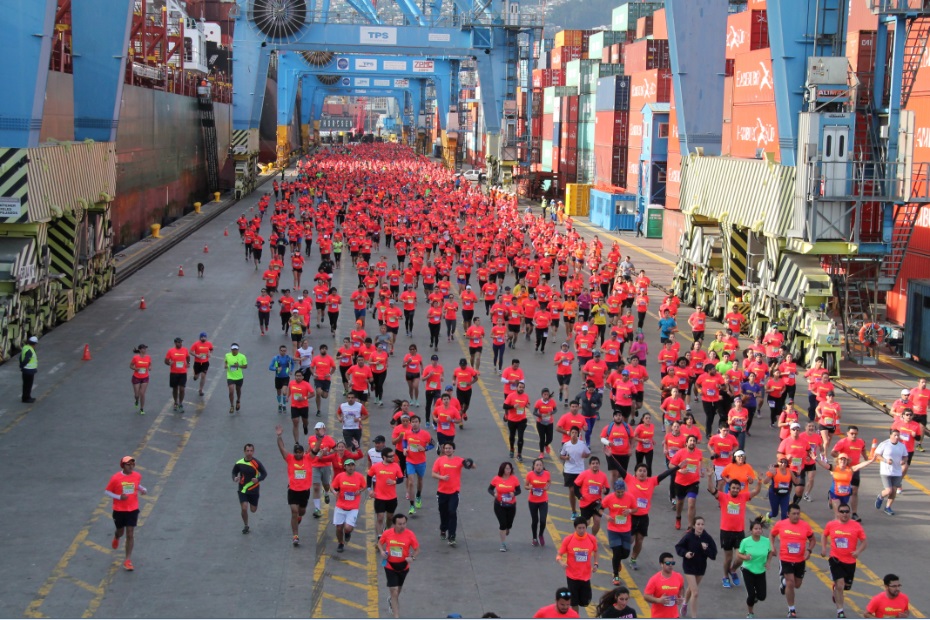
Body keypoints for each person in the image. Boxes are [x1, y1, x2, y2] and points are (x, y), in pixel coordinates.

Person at [708, 475, 761, 588]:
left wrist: (760, 481)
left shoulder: (743, 497)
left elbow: (756, 491)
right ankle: (725, 577)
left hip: (739, 532)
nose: (735, 490)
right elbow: (712, 489)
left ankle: (732, 570)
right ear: (729, 488)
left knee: (741, 557)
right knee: (728, 557)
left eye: (737, 488)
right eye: (733, 488)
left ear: (740, 489)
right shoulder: (723, 497)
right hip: (726, 532)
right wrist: (709, 477)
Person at [821, 502, 868, 618]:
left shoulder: (856, 526)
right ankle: (840, 611)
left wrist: (858, 552)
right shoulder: (831, 525)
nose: (845, 514)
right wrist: (823, 548)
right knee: (840, 585)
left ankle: (835, 590)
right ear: (837, 513)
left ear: (850, 513)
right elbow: (824, 535)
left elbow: (864, 542)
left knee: (846, 586)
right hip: (835, 559)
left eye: (847, 512)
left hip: (850, 561)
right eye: (842, 511)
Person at [771, 503, 815, 618]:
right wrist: (772, 547)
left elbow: (812, 540)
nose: (796, 516)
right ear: (788, 514)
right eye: (794, 514)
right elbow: (772, 535)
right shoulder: (781, 524)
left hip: (800, 560)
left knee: (797, 584)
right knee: (791, 582)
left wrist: (809, 551)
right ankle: (791, 609)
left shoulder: (805, 526)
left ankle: (783, 583)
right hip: (786, 558)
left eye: (798, 514)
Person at [104, 456, 147, 571]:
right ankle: (117, 537)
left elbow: (135, 485)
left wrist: (142, 489)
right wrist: (119, 497)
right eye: (128, 464)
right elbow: (107, 491)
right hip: (119, 510)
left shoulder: (137, 475)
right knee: (121, 531)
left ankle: (127, 560)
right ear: (123, 465)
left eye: (132, 464)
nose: (131, 466)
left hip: (132, 509)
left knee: (130, 533)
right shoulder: (115, 478)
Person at [431, 442, 476, 546]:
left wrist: (469, 463)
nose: (447, 450)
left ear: (453, 450)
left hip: (454, 492)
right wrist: (442, 477)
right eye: (446, 448)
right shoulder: (439, 460)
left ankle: (452, 536)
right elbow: (433, 474)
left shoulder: (459, 460)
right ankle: (443, 529)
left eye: (449, 448)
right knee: (443, 513)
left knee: (452, 512)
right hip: (442, 492)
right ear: (443, 450)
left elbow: (473, 466)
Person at [674, 516, 717, 618]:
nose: (700, 526)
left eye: (702, 524)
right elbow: (678, 547)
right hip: (689, 566)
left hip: (701, 567)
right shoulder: (688, 536)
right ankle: (694, 617)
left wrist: (706, 549)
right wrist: (686, 553)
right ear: (694, 525)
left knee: (691, 588)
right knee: (696, 592)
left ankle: (685, 603)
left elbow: (713, 555)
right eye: (698, 524)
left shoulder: (707, 538)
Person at [378, 514, 420, 619]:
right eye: (400, 524)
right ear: (394, 524)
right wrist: (382, 551)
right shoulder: (387, 533)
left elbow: (417, 549)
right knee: (394, 590)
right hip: (390, 566)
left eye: (404, 523)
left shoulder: (410, 534)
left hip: (403, 567)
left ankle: (392, 600)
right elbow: (379, 543)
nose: (402, 526)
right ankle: (396, 616)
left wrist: (412, 558)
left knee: (398, 590)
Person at [275, 425, 311, 546]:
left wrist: (320, 438)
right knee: (294, 511)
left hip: (304, 491)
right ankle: (295, 535)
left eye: (300, 452)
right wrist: (279, 436)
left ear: (303, 452)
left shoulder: (307, 459)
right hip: (293, 490)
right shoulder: (290, 459)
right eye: (296, 452)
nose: (298, 454)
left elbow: (316, 449)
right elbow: (282, 448)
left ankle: (299, 518)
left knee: (302, 511)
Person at [556, 517, 600, 613]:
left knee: (585, 602)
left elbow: (596, 551)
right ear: (575, 528)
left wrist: (596, 564)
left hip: (585, 576)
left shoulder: (591, 539)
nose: (581, 530)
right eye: (579, 528)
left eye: (583, 528)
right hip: (572, 576)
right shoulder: (568, 540)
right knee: (574, 602)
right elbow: (559, 555)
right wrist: (561, 562)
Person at [736, 517, 773, 619]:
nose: (758, 530)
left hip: (761, 570)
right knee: (751, 595)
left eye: (759, 529)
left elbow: (771, 552)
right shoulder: (745, 541)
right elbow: (738, 554)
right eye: (755, 529)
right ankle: (750, 613)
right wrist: (745, 557)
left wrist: (768, 562)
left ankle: (755, 597)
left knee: (762, 596)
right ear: (751, 530)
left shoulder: (766, 541)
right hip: (748, 570)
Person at [601, 479, 637, 585]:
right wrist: (606, 516)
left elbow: (635, 509)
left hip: (626, 529)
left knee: (625, 554)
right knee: (616, 552)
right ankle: (616, 575)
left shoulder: (630, 497)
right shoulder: (609, 498)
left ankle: (617, 562)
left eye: (622, 492)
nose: (620, 494)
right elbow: (599, 508)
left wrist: (630, 511)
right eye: (618, 492)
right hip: (613, 529)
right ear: (615, 491)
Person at [330, 458, 367, 553]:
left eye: (352, 465)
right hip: (340, 506)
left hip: (353, 507)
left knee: (347, 528)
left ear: (354, 466)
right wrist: (334, 493)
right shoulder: (340, 476)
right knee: (338, 528)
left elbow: (364, 486)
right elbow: (332, 486)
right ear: (345, 467)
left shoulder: (359, 477)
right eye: (348, 465)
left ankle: (347, 533)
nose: (351, 467)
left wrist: (360, 491)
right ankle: (341, 543)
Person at [369, 446, 405, 538]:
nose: (393, 458)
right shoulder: (376, 466)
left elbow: (401, 478)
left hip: (392, 497)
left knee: (389, 518)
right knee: (380, 517)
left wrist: (394, 482)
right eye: (390, 456)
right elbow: (369, 476)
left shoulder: (396, 466)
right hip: (379, 497)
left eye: (393, 456)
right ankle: (380, 537)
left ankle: (387, 531)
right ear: (384, 457)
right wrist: (369, 490)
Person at [231, 443, 267, 534]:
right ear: (244, 451)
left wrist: (258, 479)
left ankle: (253, 506)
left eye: (251, 451)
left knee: (253, 510)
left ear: (253, 452)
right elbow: (234, 472)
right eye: (247, 451)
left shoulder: (256, 463)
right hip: (242, 489)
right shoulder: (239, 463)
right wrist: (235, 478)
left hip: (254, 489)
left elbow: (264, 474)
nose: (249, 453)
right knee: (244, 508)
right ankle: (246, 525)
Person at [670, 434, 703, 530]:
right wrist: (680, 470)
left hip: (693, 481)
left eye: (694, 441)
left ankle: (690, 526)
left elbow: (699, 462)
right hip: (680, 482)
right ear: (686, 443)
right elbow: (671, 465)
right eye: (690, 440)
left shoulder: (699, 453)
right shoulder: (680, 452)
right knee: (680, 502)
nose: (692, 442)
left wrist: (701, 471)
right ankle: (678, 517)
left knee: (691, 503)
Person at [873, 427, 909, 516]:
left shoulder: (902, 446)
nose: (897, 437)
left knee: (893, 491)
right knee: (888, 490)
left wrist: (903, 461)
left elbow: (905, 456)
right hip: (886, 471)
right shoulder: (884, 444)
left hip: (897, 472)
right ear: (890, 436)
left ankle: (888, 507)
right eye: (895, 435)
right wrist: (886, 461)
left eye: (898, 435)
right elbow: (877, 455)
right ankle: (880, 496)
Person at [488, 461, 522, 551]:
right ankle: (503, 544)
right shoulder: (496, 478)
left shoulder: (514, 479)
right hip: (499, 504)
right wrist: (494, 494)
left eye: (510, 468)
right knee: (502, 524)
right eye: (507, 468)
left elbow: (519, 491)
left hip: (511, 505)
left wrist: (513, 493)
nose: (508, 470)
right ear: (502, 469)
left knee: (509, 523)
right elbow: (490, 489)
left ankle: (508, 528)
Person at [560, 427, 591, 519]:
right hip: (569, 470)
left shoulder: (582, 444)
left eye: (575, 433)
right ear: (570, 434)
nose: (574, 434)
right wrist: (565, 458)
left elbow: (588, 453)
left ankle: (582, 511)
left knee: (581, 492)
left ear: (578, 434)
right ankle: (573, 511)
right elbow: (561, 455)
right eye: (572, 432)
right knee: (572, 491)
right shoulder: (566, 445)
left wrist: (585, 455)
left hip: (580, 471)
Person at [643, 551, 686, 619]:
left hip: (674, 616)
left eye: (672, 563)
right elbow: (646, 596)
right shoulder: (654, 579)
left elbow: (681, 588)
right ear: (661, 564)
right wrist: (658, 600)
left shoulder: (678, 576)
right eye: (668, 563)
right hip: (658, 616)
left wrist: (680, 597)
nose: (670, 565)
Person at [403, 415, 432, 515]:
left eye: (416, 422)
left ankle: (418, 495)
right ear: (410, 423)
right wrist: (404, 449)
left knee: (420, 480)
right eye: (413, 422)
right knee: (410, 482)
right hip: (410, 461)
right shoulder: (407, 433)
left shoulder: (425, 434)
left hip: (421, 461)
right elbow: (404, 441)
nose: (414, 424)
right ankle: (411, 505)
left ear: (419, 423)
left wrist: (424, 449)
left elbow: (433, 444)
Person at [308, 421, 336, 518]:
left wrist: (327, 453)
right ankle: (317, 508)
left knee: (326, 484)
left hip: (325, 464)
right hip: (315, 465)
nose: (317, 431)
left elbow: (335, 449)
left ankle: (326, 492)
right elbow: (310, 449)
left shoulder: (329, 439)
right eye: (316, 429)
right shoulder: (311, 439)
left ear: (323, 430)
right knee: (316, 486)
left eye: (319, 429)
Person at [525, 458, 551, 547]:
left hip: (543, 500)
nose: (539, 467)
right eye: (537, 465)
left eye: (540, 465)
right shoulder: (530, 475)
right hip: (532, 501)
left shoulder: (547, 473)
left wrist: (547, 487)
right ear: (534, 466)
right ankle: (534, 538)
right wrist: (530, 487)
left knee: (543, 520)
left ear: (543, 466)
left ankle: (540, 535)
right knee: (535, 520)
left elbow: (549, 482)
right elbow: (525, 486)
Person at [164, 337, 190, 412]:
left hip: (183, 372)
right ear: (175, 343)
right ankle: (175, 402)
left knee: (182, 389)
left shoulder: (185, 350)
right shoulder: (171, 351)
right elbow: (165, 361)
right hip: (174, 372)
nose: (180, 343)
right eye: (179, 342)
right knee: (175, 389)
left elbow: (188, 357)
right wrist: (169, 363)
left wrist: (188, 363)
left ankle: (181, 403)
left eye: (181, 342)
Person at [269, 345, 295, 413]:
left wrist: (291, 370)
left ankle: (284, 405)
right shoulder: (276, 358)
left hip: (286, 377)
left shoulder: (288, 358)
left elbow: (293, 364)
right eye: (281, 351)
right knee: (279, 392)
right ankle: (280, 404)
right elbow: (270, 367)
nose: (283, 352)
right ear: (279, 351)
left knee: (284, 391)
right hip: (278, 377)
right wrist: (276, 369)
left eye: (284, 351)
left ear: (286, 351)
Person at [224, 343, 249, 414]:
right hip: (230, 376)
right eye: (233, 349)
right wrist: (225, 365)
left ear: (238, 350)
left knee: (238, 390)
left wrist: (239, 366)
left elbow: (245, 366)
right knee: (231, 391)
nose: (234, 351)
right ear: (231, 349)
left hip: (239, 377)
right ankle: (232, 406)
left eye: (235, 349)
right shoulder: (227, 355)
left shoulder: (242, 356)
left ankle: (238, 401)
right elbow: (226, 361)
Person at [129, 344, 151, 415]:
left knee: (142, 393)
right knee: (137, 394)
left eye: (145, 349)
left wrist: (150, 368)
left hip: (145, 377)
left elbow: (150, 364)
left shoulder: (148, 357)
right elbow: (131, 365)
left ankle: (141, 408)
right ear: (140, 350)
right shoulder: (135, 358)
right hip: (136, 377)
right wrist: (136, 369)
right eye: (144, 349)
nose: (145, 350)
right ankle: (136, 400)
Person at [190, 332, 213, 397]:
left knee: (203, 375)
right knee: (196, 377)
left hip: (205, 362)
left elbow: (211, 349)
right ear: (200, 338)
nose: (203, 338)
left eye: (204, 337)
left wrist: (209, 354)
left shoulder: (209, 344)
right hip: (197, 362)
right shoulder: (196, 344)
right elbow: (190, 352)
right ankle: (195, 376)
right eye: (202, 337)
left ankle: (200, 390)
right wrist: (196, 355)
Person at [19, 335, 39, 403]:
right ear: (34, 344)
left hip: (26, 370)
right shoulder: (30, 350)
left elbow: (20, 357)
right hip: (29, 370)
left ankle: (27, 397)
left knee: (26, 385)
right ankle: (26, 398)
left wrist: (21, 366)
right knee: (28, 385)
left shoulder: (25, 347)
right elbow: (26, 359)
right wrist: (22, 366)